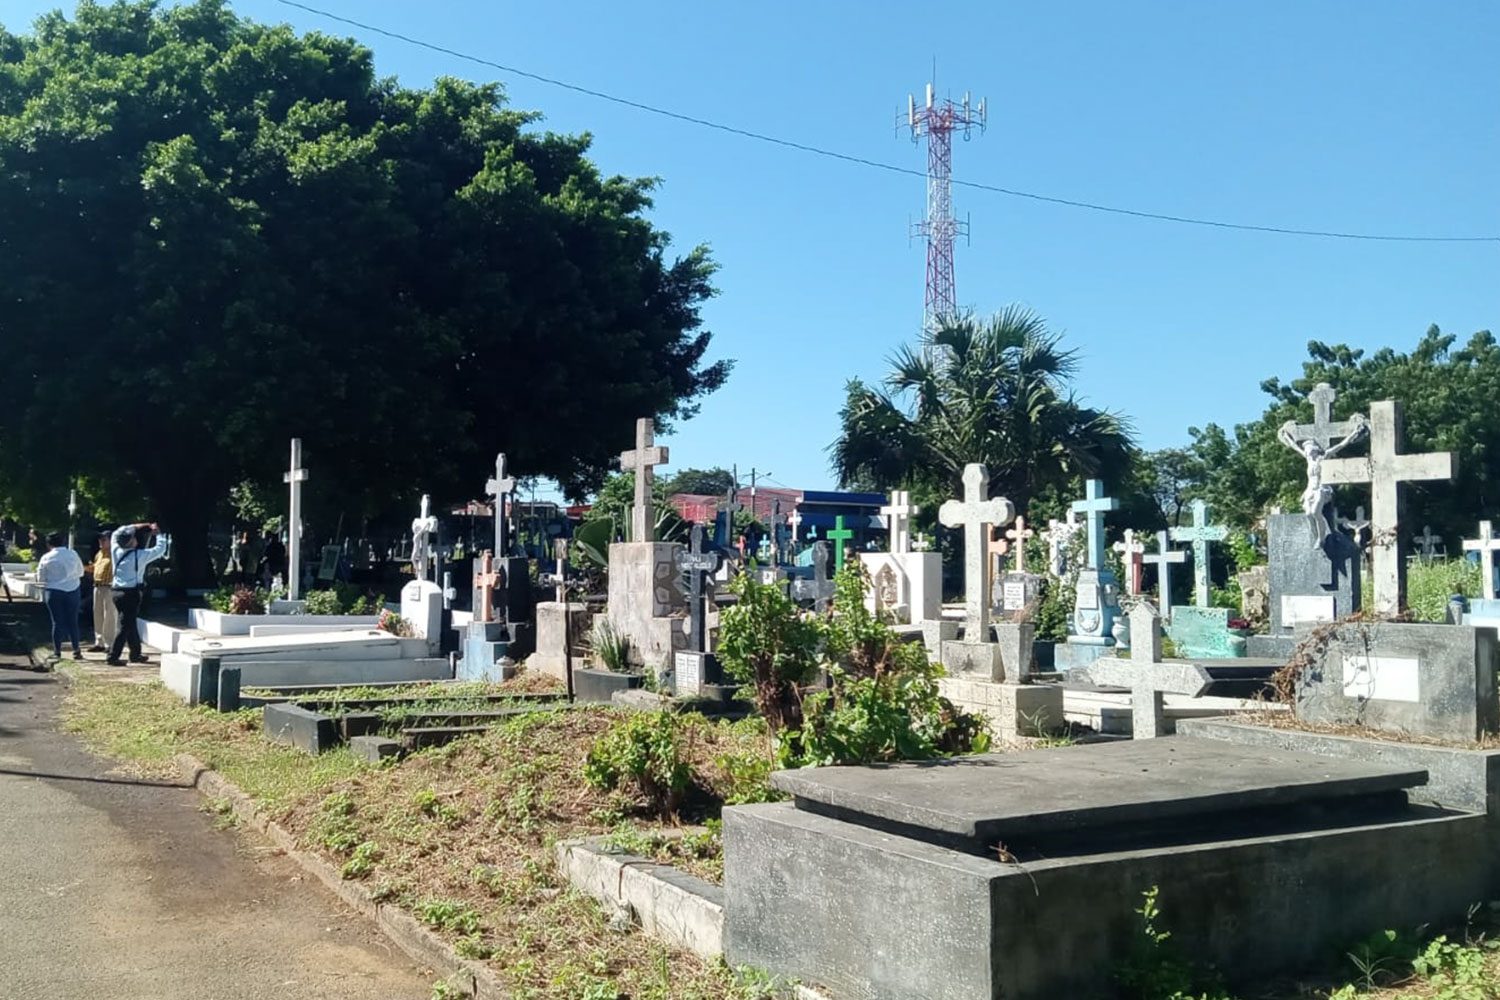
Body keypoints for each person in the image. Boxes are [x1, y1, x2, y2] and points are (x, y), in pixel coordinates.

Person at [107, 522, 169, 666]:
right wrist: (158, 533)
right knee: (124, 625)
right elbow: (160, 549)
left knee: (130, 622)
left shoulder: (115, 550)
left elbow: (117, 532)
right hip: (131, 593)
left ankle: (135, 653)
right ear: (131, 542)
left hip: (116, 591)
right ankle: (113, 655)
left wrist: (137, 526)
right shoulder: (139, 555)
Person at [36, 532, 85, 661]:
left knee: (57, 622)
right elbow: (81, 572)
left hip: (54, 590)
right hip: (73, 589)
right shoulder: (73, 554)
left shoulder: (46, 557)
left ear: (48, 544)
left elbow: (41, 577)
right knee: (73, 621)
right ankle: (76, 650)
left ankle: (57, 651)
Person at [86, 531, 117, 652]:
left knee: (109, 615)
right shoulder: (99, 554)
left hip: (109, 586)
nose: (101, 541)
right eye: (100, 539)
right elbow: (95, 567)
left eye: (104, 539)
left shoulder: (114, 554)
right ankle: (99, 642)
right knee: (97, 614)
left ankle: (109, 643)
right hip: (97, 586)